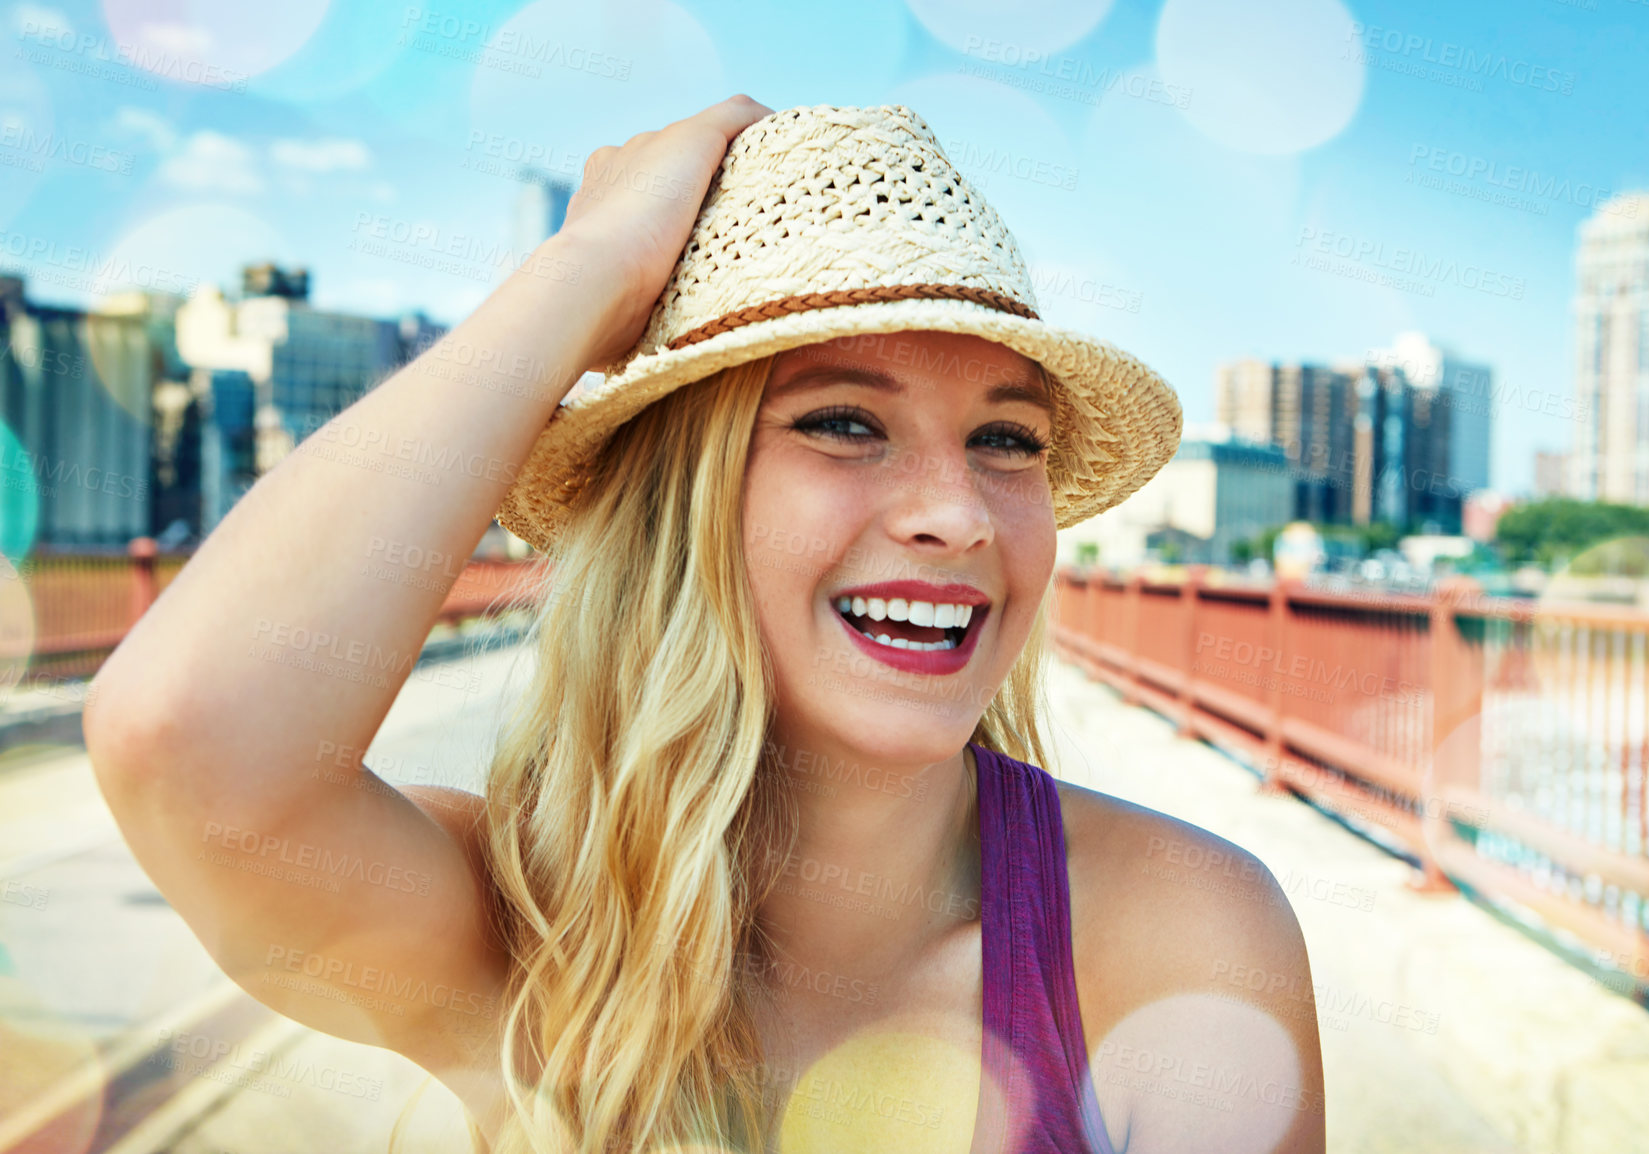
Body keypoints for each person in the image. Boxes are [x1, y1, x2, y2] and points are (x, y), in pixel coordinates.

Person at [86, 96, 1324, 1154]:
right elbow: (186, 743)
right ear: (682, 504)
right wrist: (591, 266)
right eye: (844, 420)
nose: (958, 511)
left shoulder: (1183, 935)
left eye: (1007, 439)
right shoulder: (523, 932)